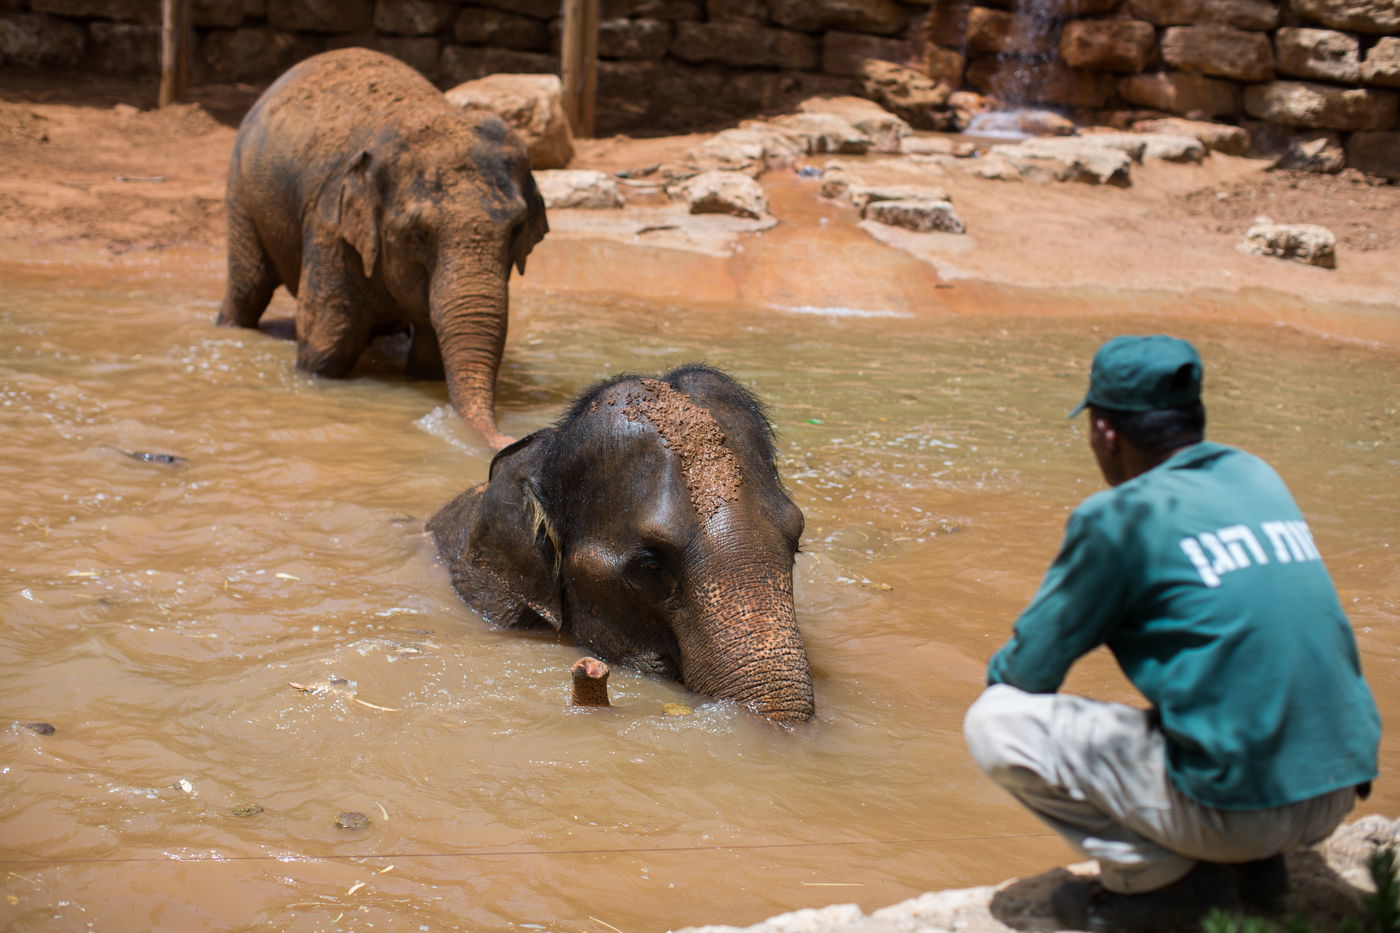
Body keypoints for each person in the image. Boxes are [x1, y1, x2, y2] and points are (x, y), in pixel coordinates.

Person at [963, 334, 1381, 932]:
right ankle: (1255, 870)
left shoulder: (1118, 518)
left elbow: (1026, 674)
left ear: (1105, 432)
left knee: (996, 721)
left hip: (1243, 812)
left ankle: (1156, 887)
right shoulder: (1257, 476)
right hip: (1335, 794)